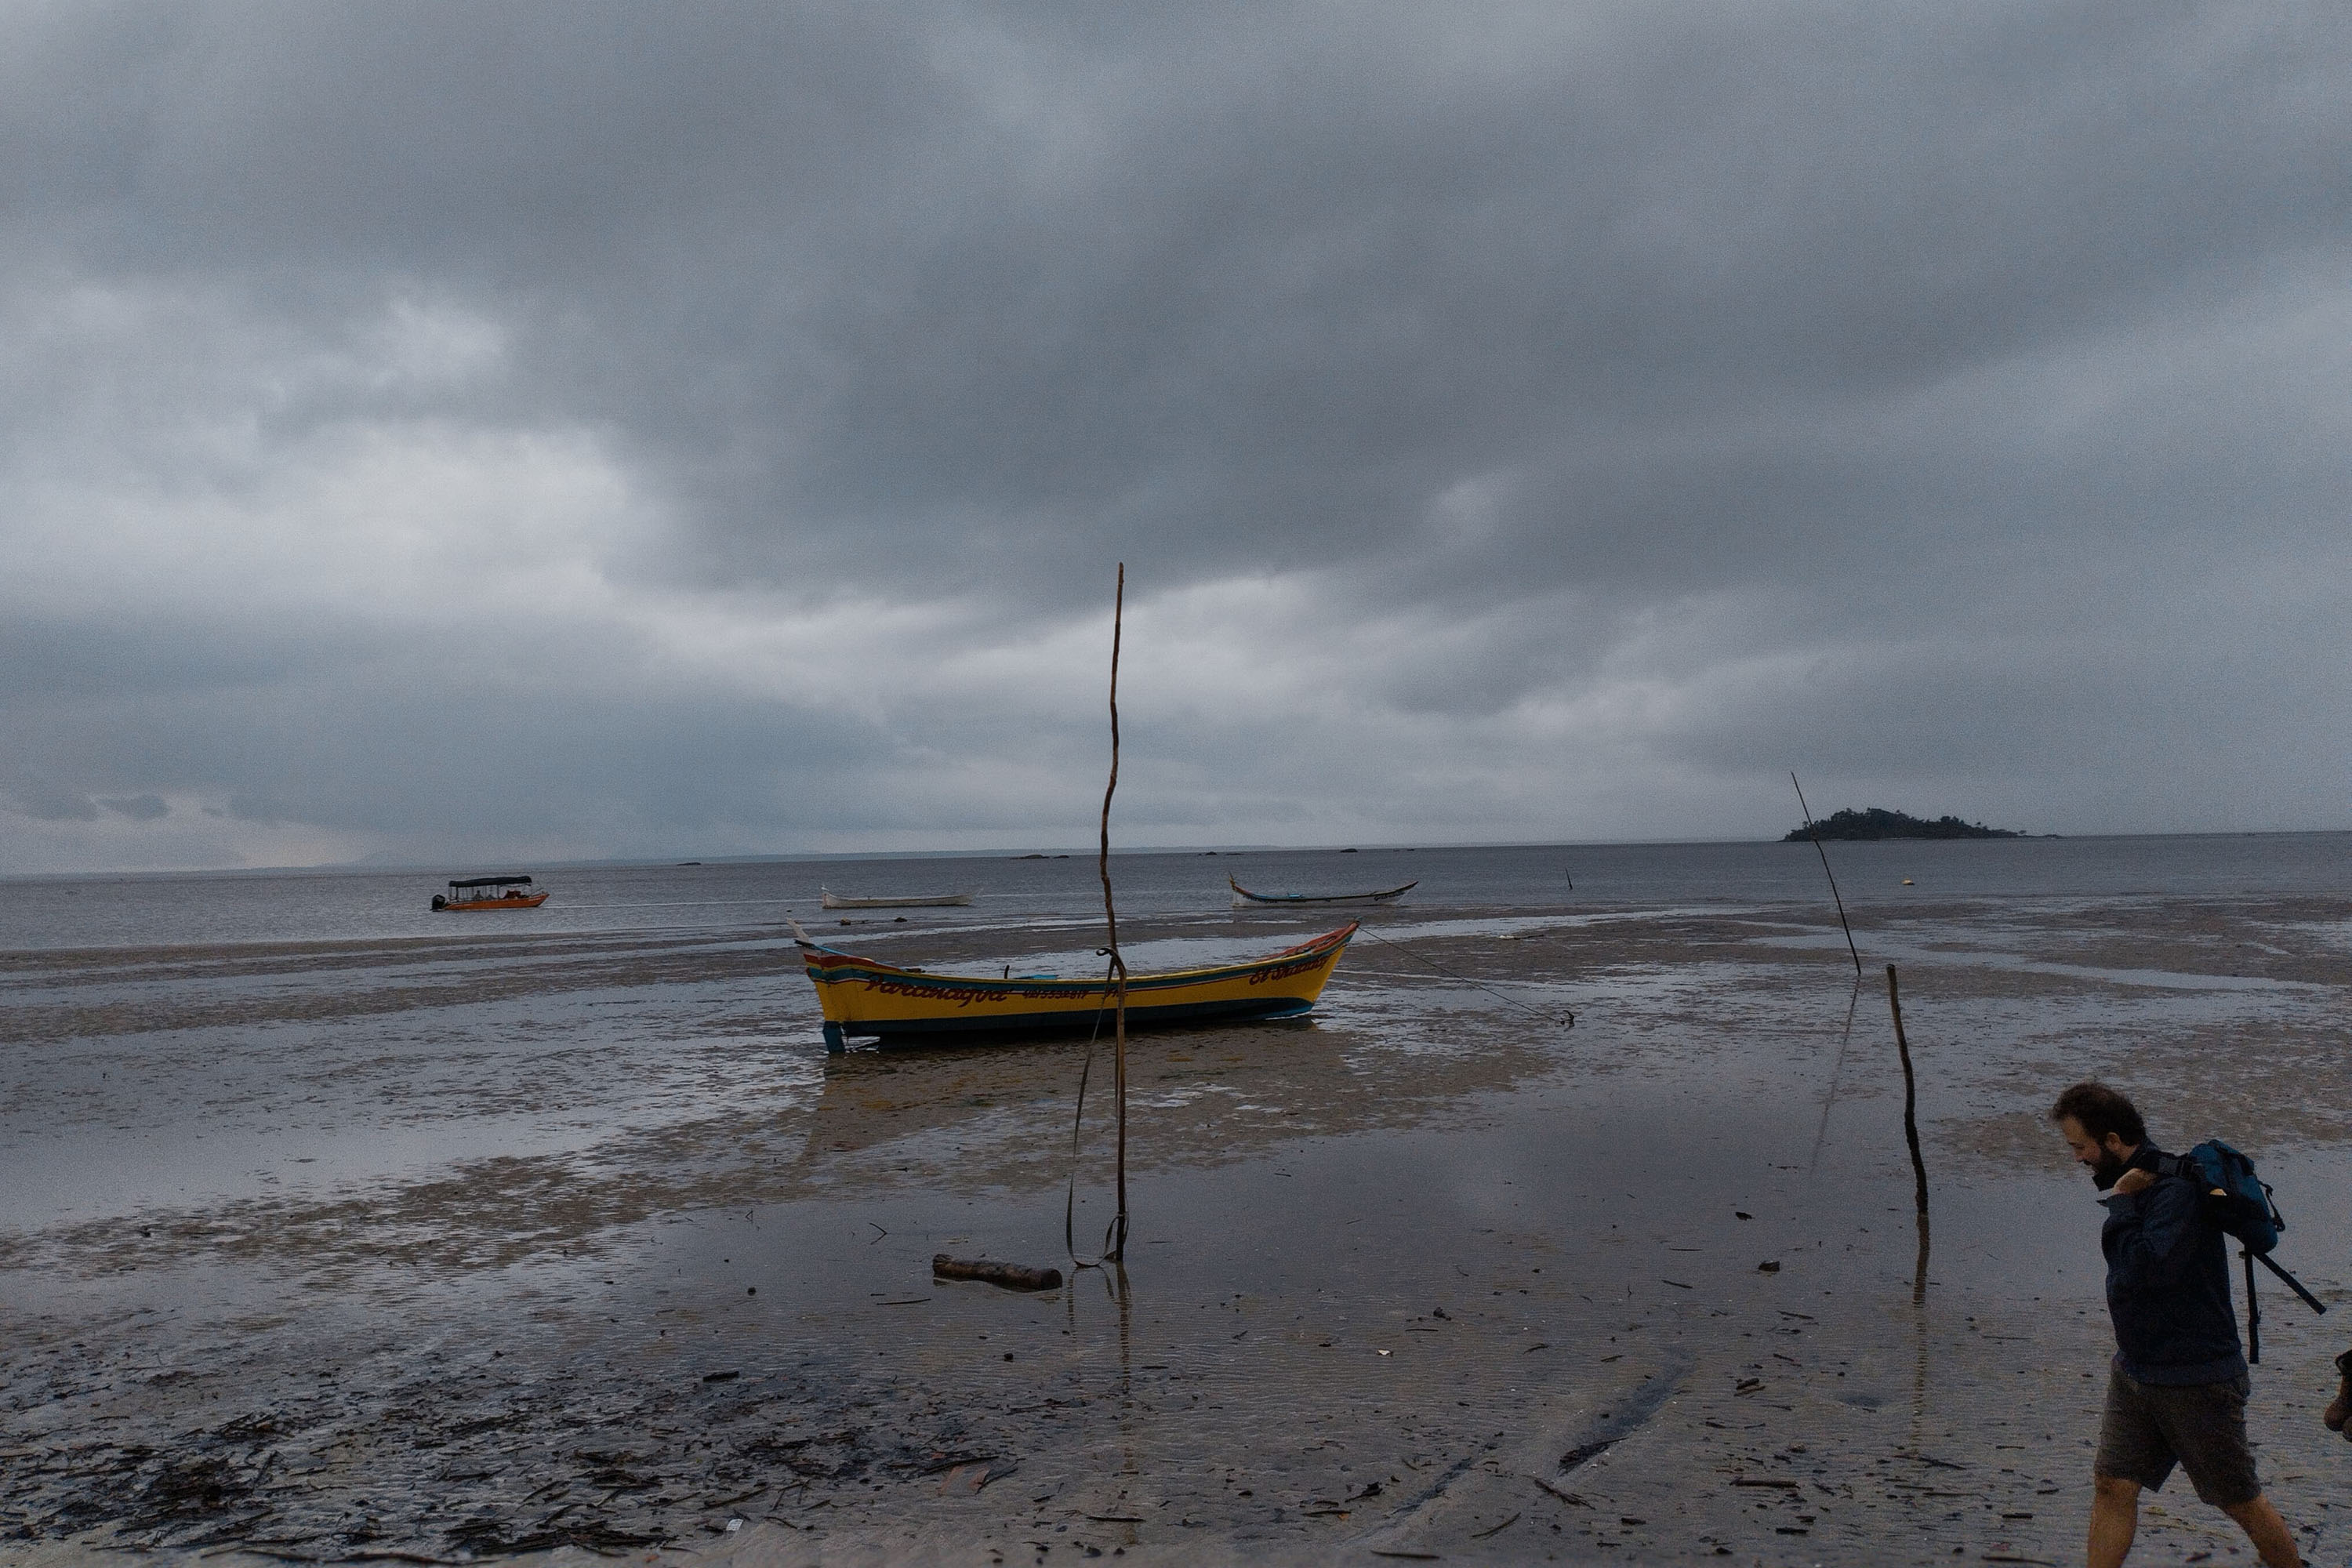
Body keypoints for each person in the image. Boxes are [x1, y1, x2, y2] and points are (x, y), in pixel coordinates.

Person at [2050, 1081, 2303, 1568]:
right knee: (2112, 1484)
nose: (2078, 1158)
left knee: (2240, 1502)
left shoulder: (2173, 1193)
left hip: (2197, 1379)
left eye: (2081, 1146)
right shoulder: (2143, 1185)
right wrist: (2123, 1202)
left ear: (2113, 1140)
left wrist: (2121, 1204)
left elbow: (2140, 1276)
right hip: (2137, 1371)